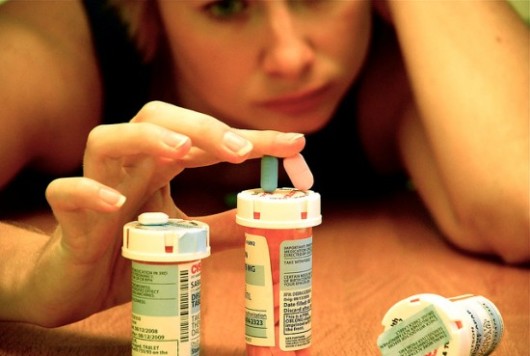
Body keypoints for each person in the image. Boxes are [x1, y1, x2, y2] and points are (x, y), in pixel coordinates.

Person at [0, 0, 528, 328]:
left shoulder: (400, 75)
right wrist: (27, 275)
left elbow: (519, 200)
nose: (291, 55)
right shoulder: (56, 56)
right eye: (227, 6)